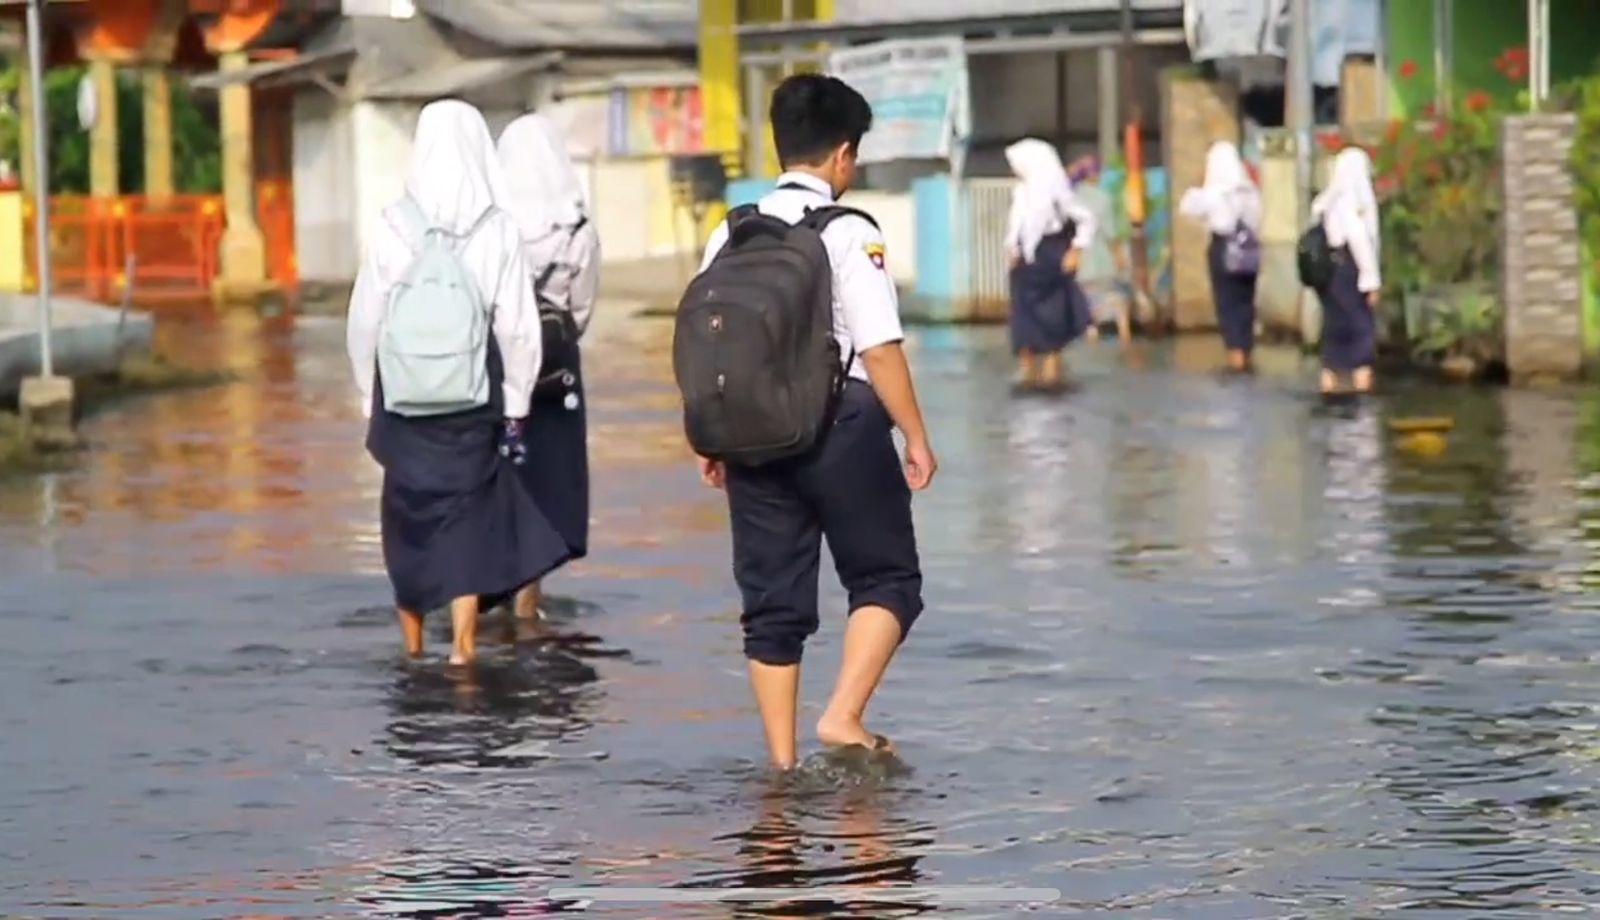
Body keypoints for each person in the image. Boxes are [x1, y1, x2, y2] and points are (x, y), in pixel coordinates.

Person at [696, 74, 936, 770]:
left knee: (771, 606)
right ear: (843, 154)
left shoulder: (731, 231)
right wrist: (915, 436)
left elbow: (710, 345)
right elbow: (880, 348)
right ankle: (843, 715)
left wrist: (711, 437)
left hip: (750, 431)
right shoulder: (850, 231)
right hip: (841, 425)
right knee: (887, 579)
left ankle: (781, 766)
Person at [346, 99, 569, 665]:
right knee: (469, 516)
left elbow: (365, 319)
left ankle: (414, 644)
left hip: (402, 398)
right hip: (473, 396)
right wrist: (515, 404)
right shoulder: (497, 229)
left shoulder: (393, 223)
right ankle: (463, 646)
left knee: (407, 518)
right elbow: (518, 328)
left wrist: (369, 396)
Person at [495, 113, 601, 621]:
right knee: (547, 476)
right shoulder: (578, 228)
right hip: (556, 367)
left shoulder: (490, 225)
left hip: (497, 366)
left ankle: (485, 593)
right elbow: (582, 308)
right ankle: (528, 602)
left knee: (499, 472)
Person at [1004, 138, 1097, 390]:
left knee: (1051, 322)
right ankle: (1028, 377)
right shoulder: (1022, 192)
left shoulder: (1057, 191)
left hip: (1050, 257)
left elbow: (1086, 219)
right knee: (1024, 323)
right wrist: (1012, 248)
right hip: (1025, 263)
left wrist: (1076, 250)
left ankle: (1052, 380)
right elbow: (1017, 225)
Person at [1179, 141, 1262, 372]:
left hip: (1225, 250)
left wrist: (1200, 184)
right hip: (1249, 252)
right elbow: (1257, 220)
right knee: (1246, 304)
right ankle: (1246, 354)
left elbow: (1187, 207)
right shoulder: (1250, 192)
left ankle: (1235, 359)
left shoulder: (1215, 193)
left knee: (1228, 304)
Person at [1311, 147, 1382, 394]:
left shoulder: (1327, 201)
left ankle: (1329, 389)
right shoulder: (1356, 200)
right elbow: (1359, 239)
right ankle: (1362, 392)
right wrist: (1371, 281)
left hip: (1329, 272)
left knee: (1335, 332)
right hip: (1352, 271)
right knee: (1361, 333)